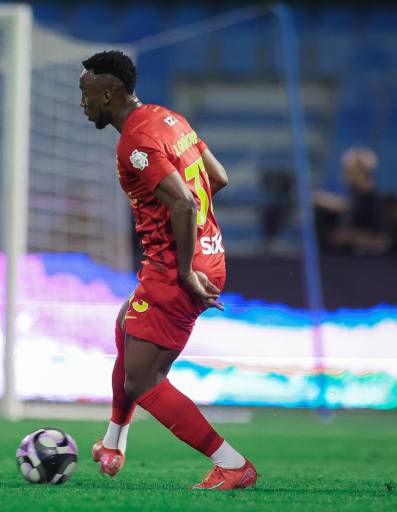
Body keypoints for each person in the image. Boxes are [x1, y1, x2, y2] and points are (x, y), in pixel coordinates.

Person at [79, 52, 257, 490]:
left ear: (109, 93)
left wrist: (184, 270)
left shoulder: (134, 142)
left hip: (178, 265)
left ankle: (233, 464)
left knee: (143, 380)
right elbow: (218, 177)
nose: (83, 103)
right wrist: (191, 231)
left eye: (86, 93)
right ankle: (113, 444)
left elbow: (184, 201)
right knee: (126, 324)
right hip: (208, 253)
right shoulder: (169, 119)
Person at [314, 146, 397, 257]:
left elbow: (382, 242)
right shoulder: (352, 202)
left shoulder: (378, 205)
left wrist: (351, 237)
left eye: (350, 171)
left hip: (369, 264)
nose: (344, 175)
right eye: (345, 170)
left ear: (364, 172)